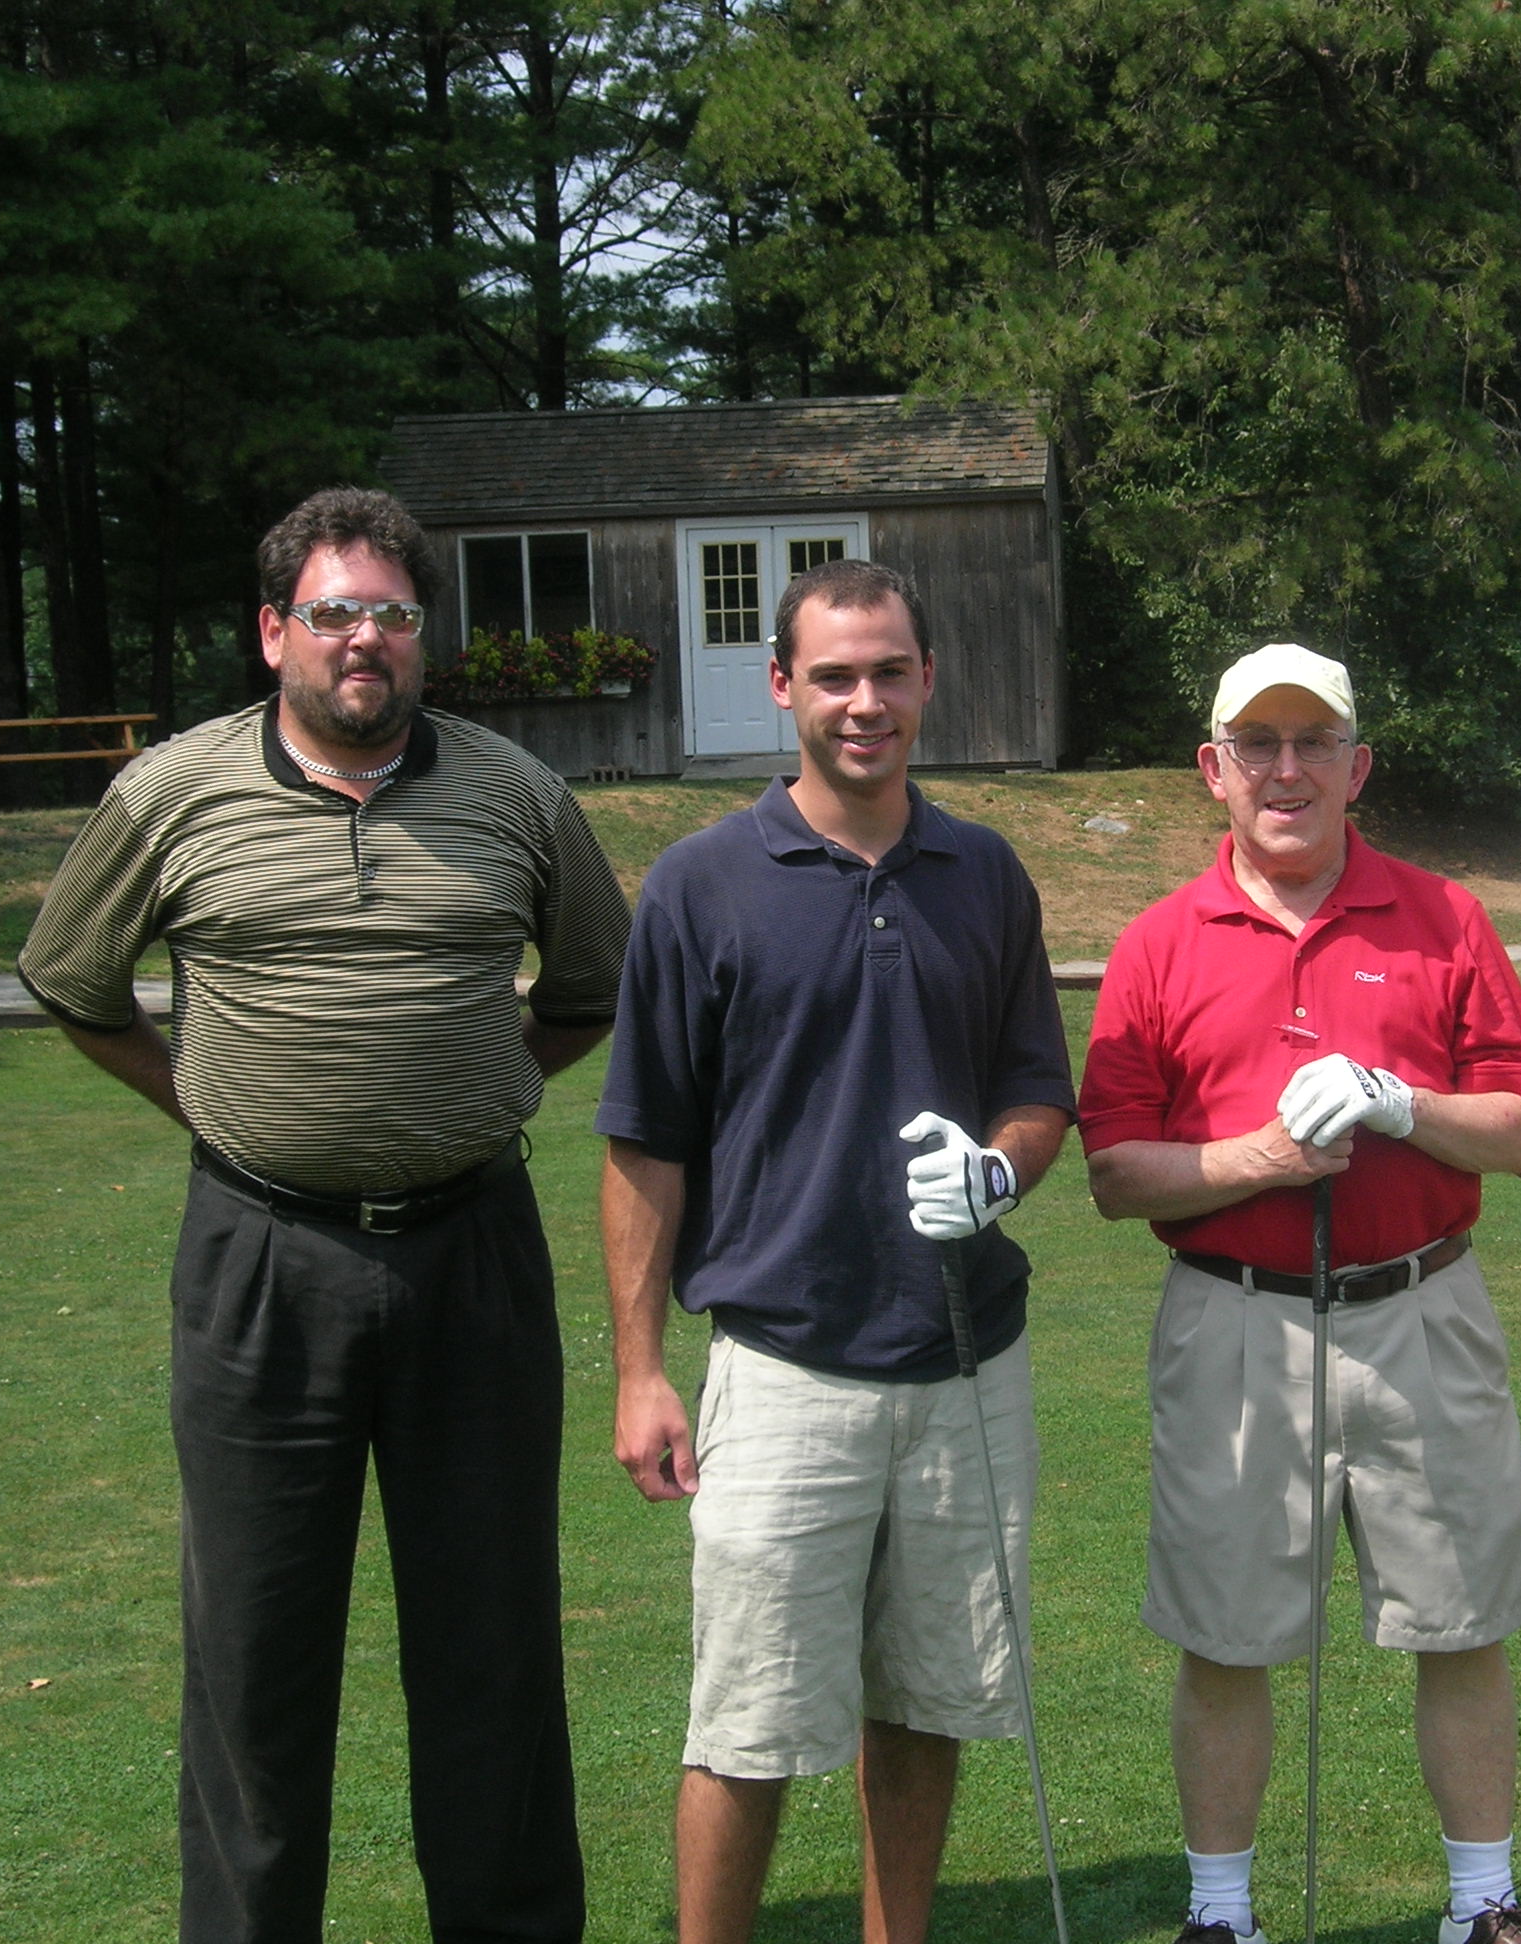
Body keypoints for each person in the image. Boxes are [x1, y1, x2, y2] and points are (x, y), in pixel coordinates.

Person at [18, 486, 630, 1944]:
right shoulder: (173, 793)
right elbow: (72, 981)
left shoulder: (515, 794)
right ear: (273, 631)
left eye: (395, 616)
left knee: (490, 1650)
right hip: (260, 1261)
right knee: (253, 1655)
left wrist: (477, 1085)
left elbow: (595, 986)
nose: (367, 641)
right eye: (336, 613)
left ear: (425, 640)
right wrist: (215, 1108)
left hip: (470, 1259)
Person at [595, 557, 1076, 1944]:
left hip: (964, 1359)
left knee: (933, 1698)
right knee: (747, 1721)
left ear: (928, 679)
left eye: (889, 673)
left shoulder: (983, 873)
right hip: (784, 1360)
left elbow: (1039, 1093)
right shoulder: (701, 885)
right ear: (783, 689)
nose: (865, 703)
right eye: (834, 676)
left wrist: (999, 1171)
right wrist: (639, 1370)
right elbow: (644, 1144)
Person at [1076, 643, 1521, 1944]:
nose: (1284, 771)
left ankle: (1482, 1903)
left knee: (1459, 1618)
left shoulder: (1444, 917)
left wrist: (1404, 1106)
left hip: (1421, 1310)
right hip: (1234, 1319)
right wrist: (1263, 1160)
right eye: (1257, 746)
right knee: (1226, 1636)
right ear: (1213, 771)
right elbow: (1116, 1172)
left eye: (1312, 745)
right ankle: (1221, 1916)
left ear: (1358, 766)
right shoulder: (1159, 943)